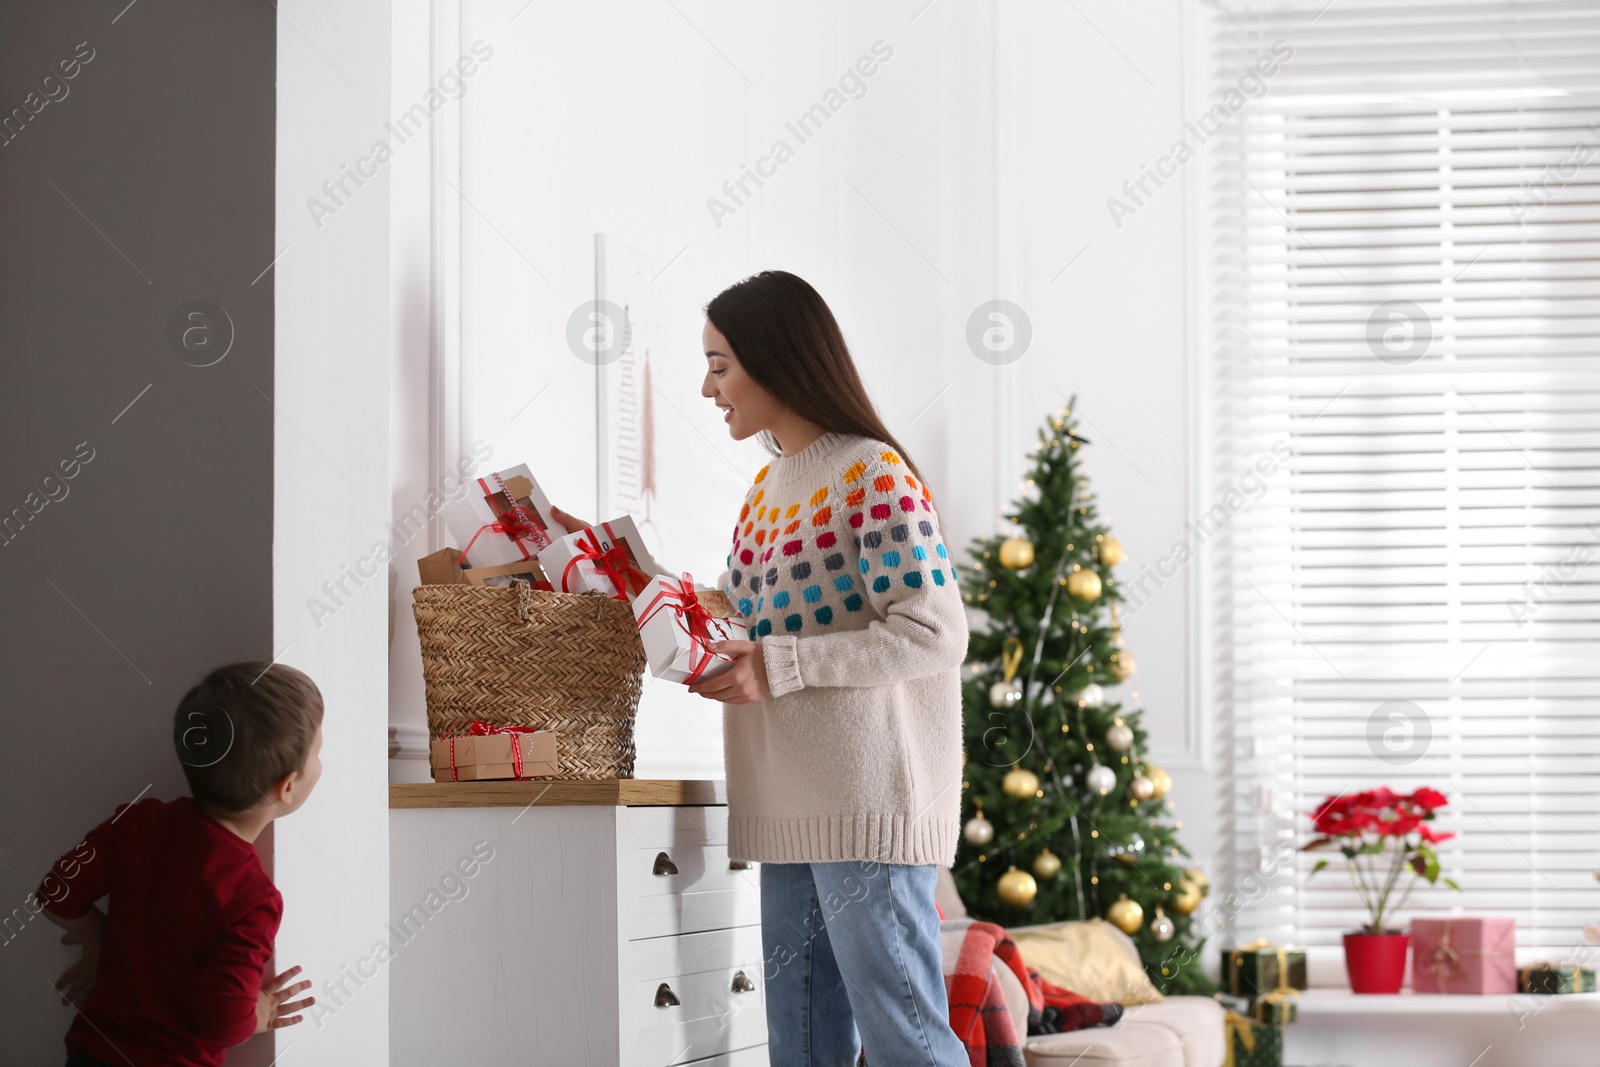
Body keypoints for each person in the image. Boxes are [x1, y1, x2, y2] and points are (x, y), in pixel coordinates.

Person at [554, 269, 970, 1065]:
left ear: (777, 359)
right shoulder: (767, 491)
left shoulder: (871, 474)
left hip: (865, 806)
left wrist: (776, 666)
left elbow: (933, 630)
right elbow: (739, 614)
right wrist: (617, 566)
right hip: (786, 804)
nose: (706, 387)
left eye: (719, 364)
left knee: (907, 1044)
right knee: (802, 1045)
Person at [37, 662, 324, 1067]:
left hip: (92, 1053)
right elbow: (224, 1023)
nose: (321, 759)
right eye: (318, 751)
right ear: (288, 786)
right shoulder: (253, 898)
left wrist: (96, 936)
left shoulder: (137, 822)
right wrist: (263, 1013)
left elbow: (57, 890)